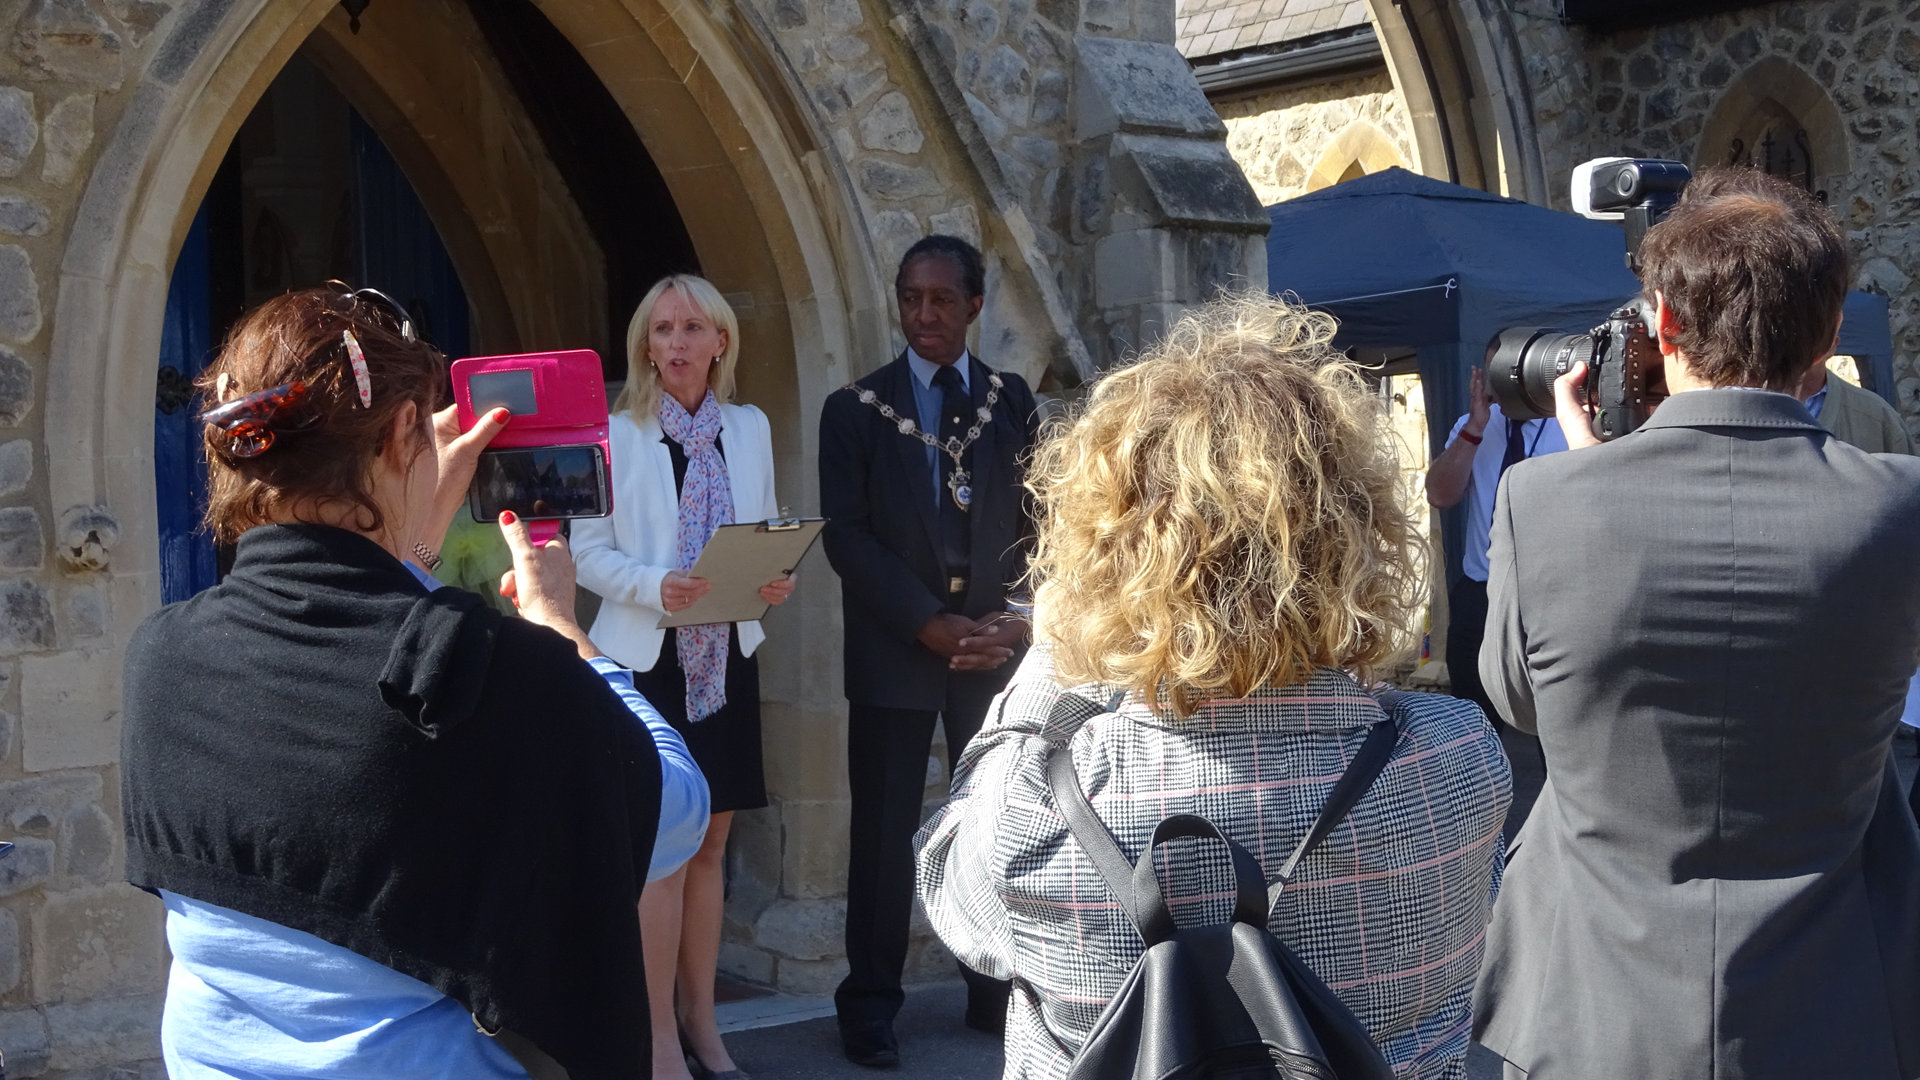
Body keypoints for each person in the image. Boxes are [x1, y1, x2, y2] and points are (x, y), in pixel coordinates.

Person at [915, 293, 1512, 1080]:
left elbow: (948, 880)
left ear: (1111, 550)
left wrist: (1055, 652)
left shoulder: (1039, 799)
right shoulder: (1456, 758)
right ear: (1358, 530)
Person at [121, 285, 710, 1079]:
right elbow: (676, 809)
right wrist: (570, 636)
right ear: (405, 431)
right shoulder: (494, 673)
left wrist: (408, 549)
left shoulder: (161, 656)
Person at [1472, 168, 1920, 1079]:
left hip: (1587, 1005)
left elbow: (1522, 703)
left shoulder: (1543, 500)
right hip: (1838, 1004)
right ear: (1831, 340)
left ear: (1664, 326)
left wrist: (1590, 475)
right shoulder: (1900, 506)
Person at [818, 235, 1038, 1066]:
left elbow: (1042, 527)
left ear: (975, 306)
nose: (924, 315)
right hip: (895, 648)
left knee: (999, 822)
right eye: (911, 298)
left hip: (993, 652)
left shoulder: (1011, 402)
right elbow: (848, 536)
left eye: (942, 300)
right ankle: (869, 1004)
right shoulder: (856, 408)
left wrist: (1014, 622)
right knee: (882, 835)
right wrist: (924, 622)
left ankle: (993, 990)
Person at [573, 275, 794, 1080]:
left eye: (690, 327)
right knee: (661, 851)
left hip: (725, 658)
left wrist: (773, 574)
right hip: (646, 658)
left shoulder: (749, 426)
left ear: (720, 342)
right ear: (644, 345)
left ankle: (704, 1026)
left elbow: (763, 527)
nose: (673, 343)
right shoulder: (615, 430)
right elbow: (586, 552)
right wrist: (651, 585)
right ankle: (657, 1040)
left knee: (712, 844)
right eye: (660, 329)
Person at [1425, 363, 1565, 724]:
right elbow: (1440, 495)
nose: (1502, 381)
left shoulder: (1570, 426)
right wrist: (1474, 428)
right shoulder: (1475, 426)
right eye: (1494, 370)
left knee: (1553, 719)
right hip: (1482, 591)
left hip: (1550, 593)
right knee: (1472, 718)